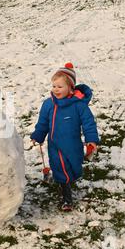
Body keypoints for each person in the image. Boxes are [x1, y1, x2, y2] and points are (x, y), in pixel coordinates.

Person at [30, 63, 99, 212]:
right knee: (60, 169)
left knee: (73, 167)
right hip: (55, 145)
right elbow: (43, 123)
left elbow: (89, 123)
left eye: (60, 87)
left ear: (70, 88)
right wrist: (38, 135)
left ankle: (67, 181)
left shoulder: (79, 106)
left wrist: (91, 140)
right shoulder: (48, 104)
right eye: (54, 86)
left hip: (73, 145)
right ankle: (67, 197)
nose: (55, 89)